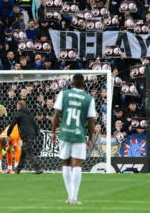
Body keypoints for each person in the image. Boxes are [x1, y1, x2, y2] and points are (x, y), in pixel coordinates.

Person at [52, 74, 96, 205]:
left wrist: (53, 131)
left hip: (65, 133)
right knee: (77, 165)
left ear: (72, 83)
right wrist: (90, 138)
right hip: (79, 134)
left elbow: (56, 115)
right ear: (84, 84)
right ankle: (74, 197)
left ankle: (69, 196)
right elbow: (91, 121)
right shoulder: (89, 98)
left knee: (65, 163)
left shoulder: (63, 94)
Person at [7, 99, 43, 174]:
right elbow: (35, 124)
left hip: (26, 135)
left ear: (19, 106)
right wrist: (37, 133)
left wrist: (8, 133)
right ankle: (18, 169)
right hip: (31, 134)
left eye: (17, 105)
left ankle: (38, 168)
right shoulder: (29, 114)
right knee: (23, 152)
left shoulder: (18, 113)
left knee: (29, 152)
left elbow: (12, 124)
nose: (16, 106)